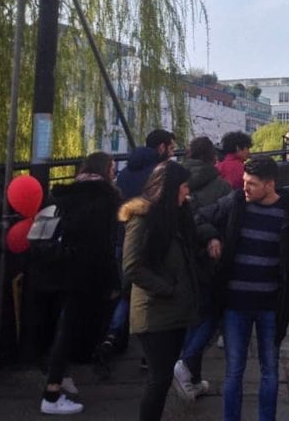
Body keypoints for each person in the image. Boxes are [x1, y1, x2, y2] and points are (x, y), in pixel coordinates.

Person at [196, 155, 289, 421]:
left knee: (269, 370)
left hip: (271, 307)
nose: (245, 187)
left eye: (251, 183)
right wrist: (212, 236)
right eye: (244, 181)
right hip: (235, 305)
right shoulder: (236, 202)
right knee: (234, 371)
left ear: (270, 184)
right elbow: (198, 217)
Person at [36, 151, 120, 415]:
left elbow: (40, 233)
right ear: (105, 170)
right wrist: (113, 281)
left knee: (59, 327)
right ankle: (51, 394)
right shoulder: (106, 199)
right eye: (112, 168)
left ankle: (59, 376)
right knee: (71, 330)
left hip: (55, 271)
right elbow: (104, 247)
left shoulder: (61, 194)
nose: (115, 173)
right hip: (85, 274)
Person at [119, 160, 199, 421]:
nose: (187, 193)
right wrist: (166, 289)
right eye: (184, 187)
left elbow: (194, 236)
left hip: (174, 309)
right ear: (170, 187)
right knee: (159, 377)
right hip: (154, 312)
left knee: (163, 378)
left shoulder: (174, 214)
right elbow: (132, 266)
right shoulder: (142, 218)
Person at [98, 142, 169, 371]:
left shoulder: (124, 174)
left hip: (121, 238)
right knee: (148, 294)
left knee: (124, 292)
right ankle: (147, 351)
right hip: (147, 240)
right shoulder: (156, 175)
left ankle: (111, 335)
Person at [173, 136, 232, 401]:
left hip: (181, 257)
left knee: (191, 316)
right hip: (209, 257)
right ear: (212, 157)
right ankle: (187, 365)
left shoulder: (175, 179)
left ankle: (191, 377)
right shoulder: (221, 186)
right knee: (212, 313)